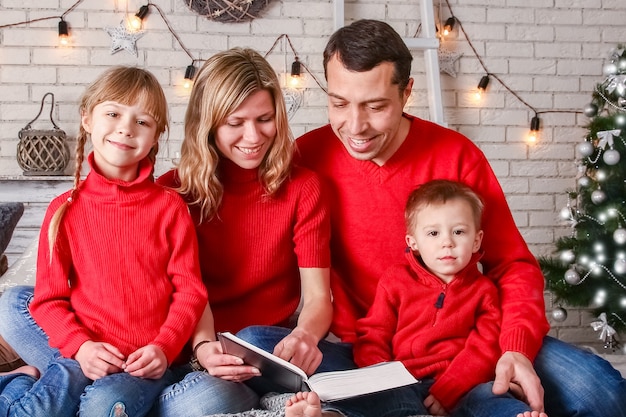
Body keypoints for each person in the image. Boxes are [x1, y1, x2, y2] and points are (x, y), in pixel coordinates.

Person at [243, 18, 626, 417]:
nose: (354, 126)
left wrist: (514, 347)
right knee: (255, 343)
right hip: (370, 352)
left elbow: (512, 266)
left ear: (406, 92)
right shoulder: (307, 157)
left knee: (601, 392)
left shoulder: (455, 156)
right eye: (339, 103)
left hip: (469, 337)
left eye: (375, 106)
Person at [0, 48, 332, 417]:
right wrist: (83, 347)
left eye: (265, 119)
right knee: (11, 306)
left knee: (200, 400)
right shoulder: (175, 189)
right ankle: (98, 384)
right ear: (209, 123)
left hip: (221, 352)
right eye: (235, 122)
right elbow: (103, 287)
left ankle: (109, 394)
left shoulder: (300, 189)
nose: (252, 136)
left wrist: (304, 335)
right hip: (169, 344)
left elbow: (313, 299)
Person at [0, 66, 208, 417]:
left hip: (142, 364)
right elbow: (48, 300)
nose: (126, 128)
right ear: (87, 119)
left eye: (142, 121)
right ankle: (20, 382)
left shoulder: (170, 207)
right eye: (113, 113)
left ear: (156, 136)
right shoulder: (63, 209)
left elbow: (190, 291)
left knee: (100, 405)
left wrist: (164, 347)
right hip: (85, 354)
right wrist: (80, 348)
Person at [285, 180, 547, 417]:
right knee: (379, 402)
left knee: (491, 396)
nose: (447, 243)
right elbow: (375, 332)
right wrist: (379, 376)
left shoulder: (484, 291)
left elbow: (486, 346)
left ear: (477, 240)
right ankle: (330, 416)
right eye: (434, 233)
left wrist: (450, 389)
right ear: (413, 242)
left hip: (461, 385)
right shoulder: (396, 281)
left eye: (458, 232)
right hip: (402, 378)